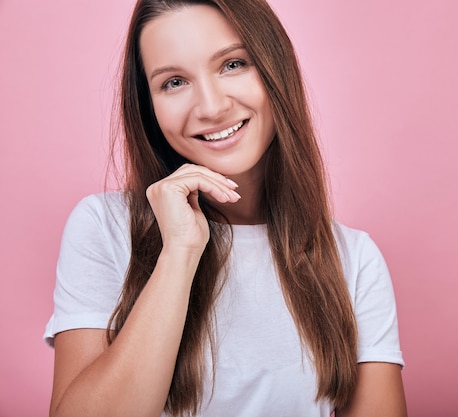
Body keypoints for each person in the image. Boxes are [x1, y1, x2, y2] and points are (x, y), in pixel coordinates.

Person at [44, 0, 406, 416]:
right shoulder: (103, 227)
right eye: (174, 82)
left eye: (233, 64)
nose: (212, 107)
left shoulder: (354, 259)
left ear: (277, 71)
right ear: (150, 108)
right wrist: (178, 253)